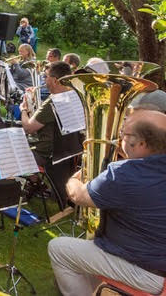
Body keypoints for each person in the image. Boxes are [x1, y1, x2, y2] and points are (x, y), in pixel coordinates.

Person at [48, 109, 166, 296]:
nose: (119, 140)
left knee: (59, 249)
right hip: (155, 261)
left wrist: (74, 179)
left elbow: (78, 196)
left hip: (149, 273)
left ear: (142, 144)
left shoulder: (124, 174)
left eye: (124, 134)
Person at [20, 61, 79, 205]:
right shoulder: (76, 96)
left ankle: (35, 184)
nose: (44, 80)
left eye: (46, 77)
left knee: (17, 153)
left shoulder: (53, 102)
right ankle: (36, 184)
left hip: (49, 152)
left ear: (54, 80)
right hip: (71, 149)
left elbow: (29, 128)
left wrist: (23, 109)